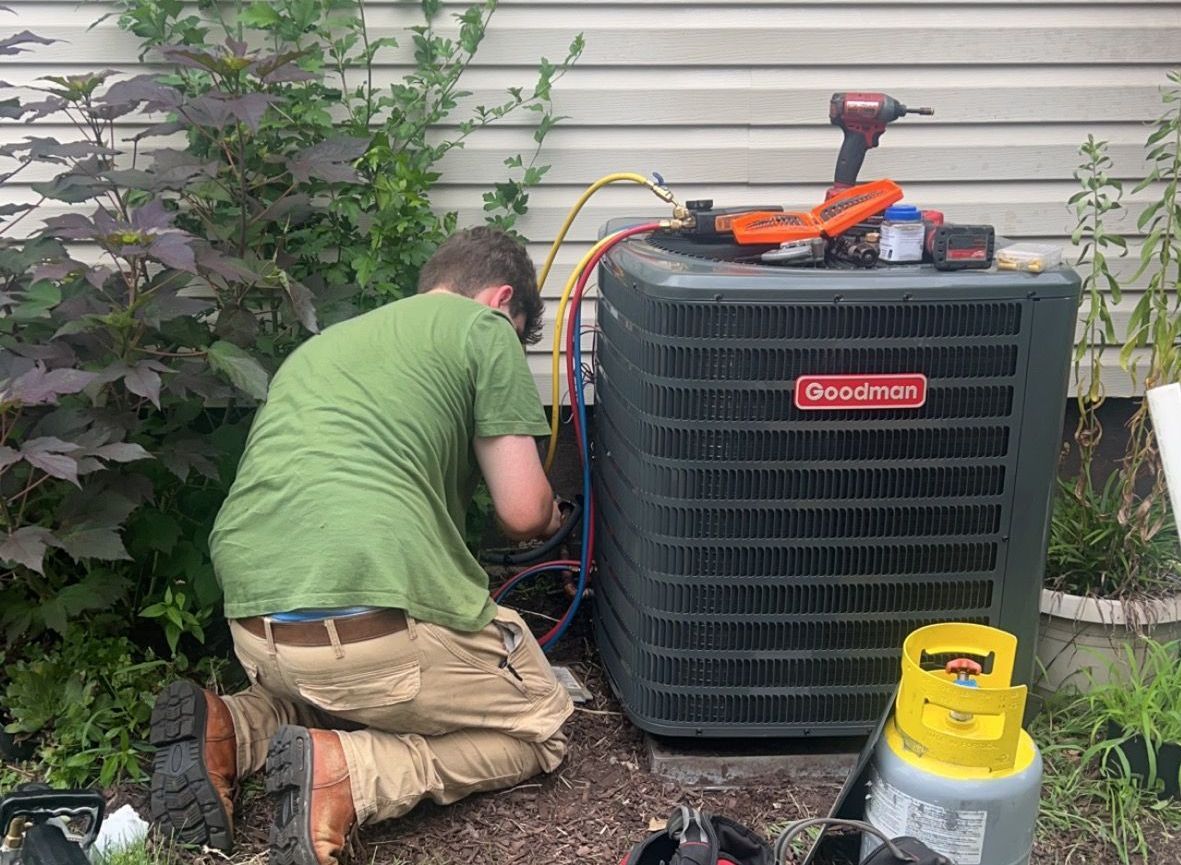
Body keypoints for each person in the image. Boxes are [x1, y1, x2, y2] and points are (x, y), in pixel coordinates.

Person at [148, 227, 574, 865]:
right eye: (516, 330)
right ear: (499, 300)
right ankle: (353, 773)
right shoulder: (483, 330)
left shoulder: (326, 345)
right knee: (541, 723)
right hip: (366, 638)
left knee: (344, 686)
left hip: (255, 622)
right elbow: (521, 513)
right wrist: (552, 517)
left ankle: (230, 729)